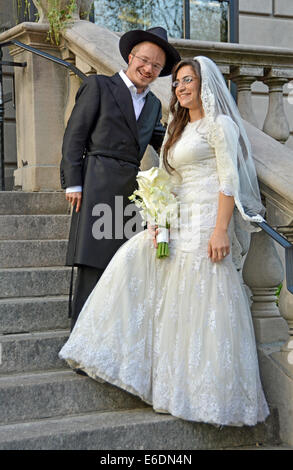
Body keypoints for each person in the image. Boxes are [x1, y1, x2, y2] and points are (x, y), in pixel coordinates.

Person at [59, 56, 270, 427]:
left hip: (207, 222)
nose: (181, 87)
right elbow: (170, 181)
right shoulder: (178, 126)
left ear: (206, 84)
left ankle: (206, 396)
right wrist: (158, 219)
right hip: (178, 219)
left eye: (189, 80)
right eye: (177, 83)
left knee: (202, 298)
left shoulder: (220, 126)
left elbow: (228, 180)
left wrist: (221, 229)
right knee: (139, 267)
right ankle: (161, 383)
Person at [60, 27, 181, 330]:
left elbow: (162, 139)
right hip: (96, 183)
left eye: (156, 66)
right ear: (131, 56)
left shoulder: (154, 104)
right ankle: (80, 339)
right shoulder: (99, 86)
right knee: (92, 263)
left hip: (130, 191)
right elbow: (75, 136)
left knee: (121, 264)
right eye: (144, 60)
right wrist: (73, 183)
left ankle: (110, 337)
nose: (148, 69)